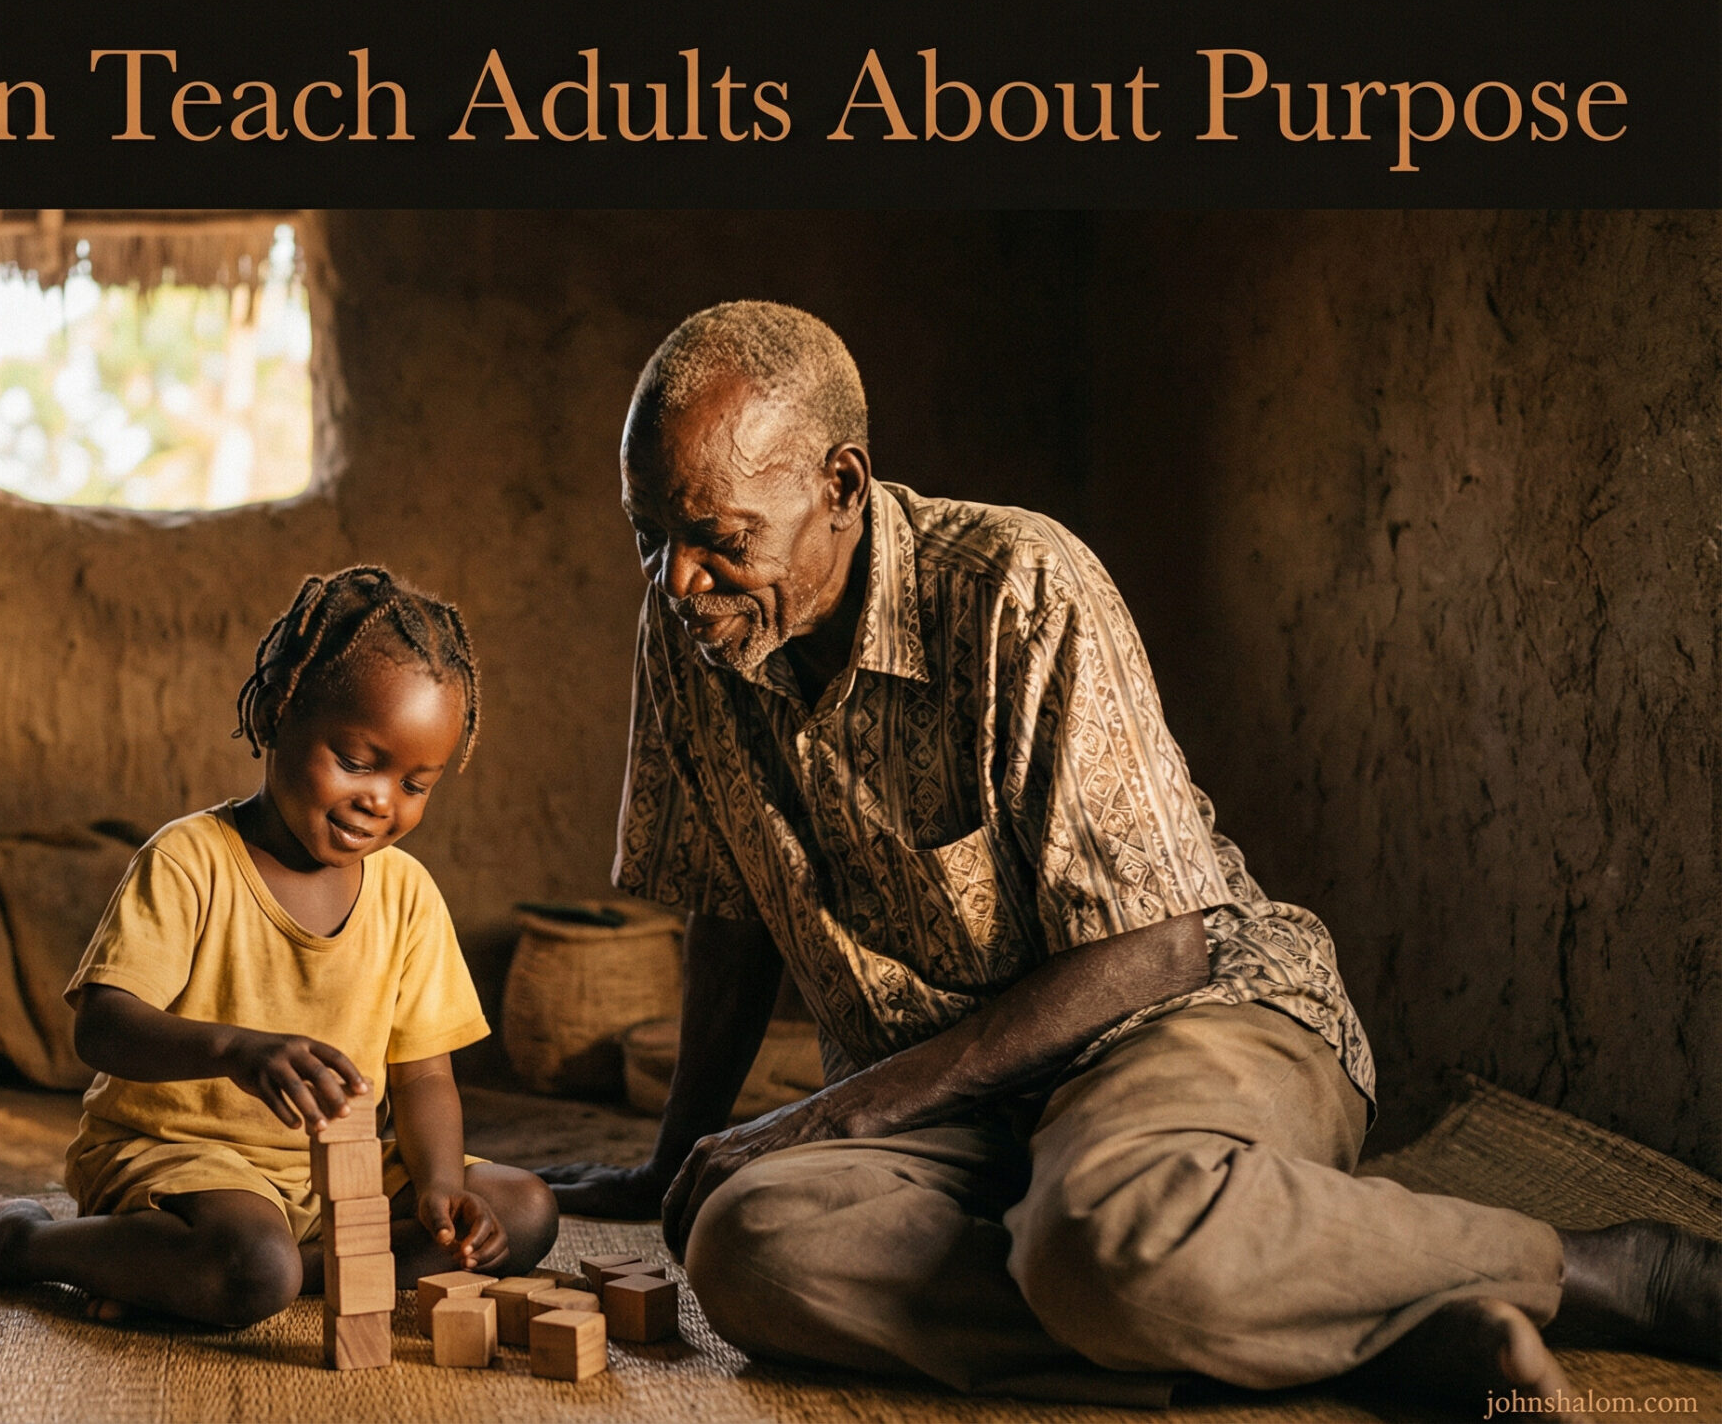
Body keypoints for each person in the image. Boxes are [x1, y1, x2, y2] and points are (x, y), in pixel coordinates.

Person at [541, 301, 1719, 1412]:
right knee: (746, 1247)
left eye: (716, 538)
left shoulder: (1015, 584)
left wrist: (841, 1114)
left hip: (1184, 1018)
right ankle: (1371, 1329)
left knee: (1099, 1232)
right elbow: (736, 901)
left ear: (841, 484)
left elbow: (1157, 949)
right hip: (965, 1099)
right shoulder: (693, 631)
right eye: (649, 537)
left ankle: (1600, 1269)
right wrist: (671, 1159)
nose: (676, 582)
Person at [0, 566, 557, 1326]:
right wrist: (238, 1052)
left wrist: (439, 1188)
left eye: (416, 784)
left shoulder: (407, 893)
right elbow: (101, 1026)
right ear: (274, 713)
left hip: (329, 1182)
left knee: (523, 1211)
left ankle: (199, 1268)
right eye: (357, 761)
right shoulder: (189, 859)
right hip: (179, 1157)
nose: (380, 800)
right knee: (254, 1262)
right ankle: (25, 1242)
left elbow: (423, 1076)